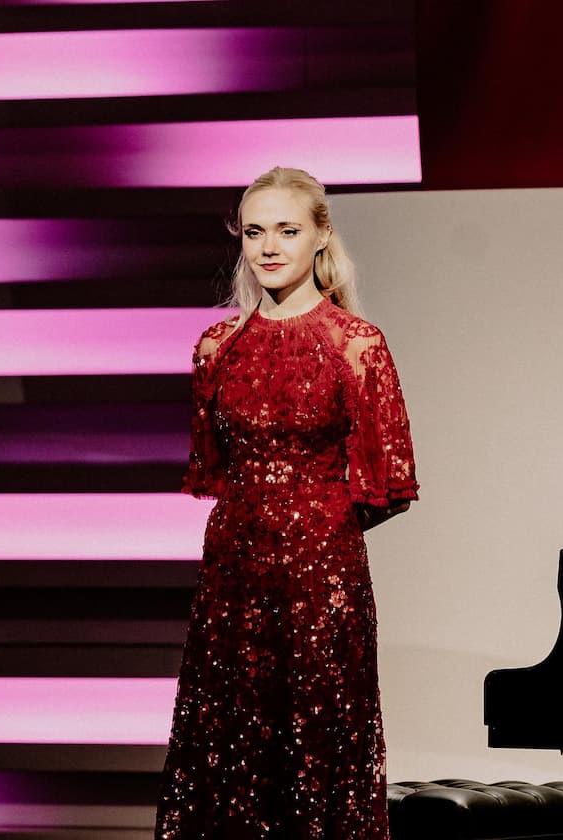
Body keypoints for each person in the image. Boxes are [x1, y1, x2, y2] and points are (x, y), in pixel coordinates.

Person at [154, 166, 418, 839]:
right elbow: (215, 473)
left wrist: (315, 528)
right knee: (230, 751)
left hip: (321, 580)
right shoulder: (217, 349)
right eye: (254, 232)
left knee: (318, 748)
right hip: (233, 582)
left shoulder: (357, 346)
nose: (269, 247)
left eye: (287, 230)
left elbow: (391, 482)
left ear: (320, 238)